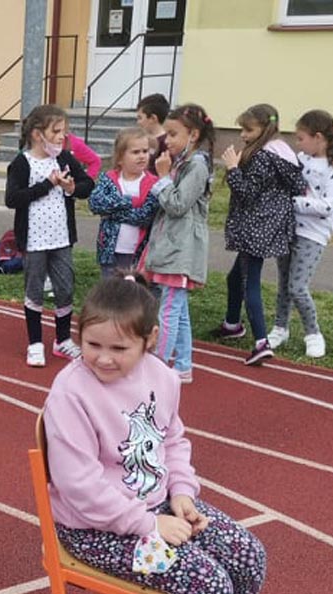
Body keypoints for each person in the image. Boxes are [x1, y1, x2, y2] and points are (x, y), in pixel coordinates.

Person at [44, 276, 279, 594]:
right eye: (92, 345)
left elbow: (172, 441)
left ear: (149, 340)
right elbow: (79, 486)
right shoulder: (70, 394)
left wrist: (183, 493)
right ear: (78, 334)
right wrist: (149, 524)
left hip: (157, 509)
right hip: (95, 530)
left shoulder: (162, 377)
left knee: (247, 554)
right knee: (207, 584)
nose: (103, 358)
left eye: (119, 348)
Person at [4, 103, 94, 368]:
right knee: (34, 290)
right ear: (37, 134)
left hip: (61, 238)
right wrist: (47, 184)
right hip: (34, 240)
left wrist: (71, 187)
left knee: (65, 288)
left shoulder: (64, 158)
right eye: (55, 131)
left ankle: (62, 339)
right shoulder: (22, 163)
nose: (61, 137)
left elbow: (88, 185)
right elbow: (12, 199)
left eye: (63, 131)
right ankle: (35, 343)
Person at [216, 103, 306, 366]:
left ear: (264, 129)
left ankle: (261, 342)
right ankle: (232, 324)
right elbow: (298, 185)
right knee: (235, 277)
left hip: (255, 227)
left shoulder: (262, 157)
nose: (243, 134)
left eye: (248, 130)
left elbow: (246, 193)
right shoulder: (285, 153)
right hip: (271, 225)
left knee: (249, 282)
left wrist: (233, 168)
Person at [269, 110, 333, 360]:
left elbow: (327, 207)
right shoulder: (301, 159)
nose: (298, 144)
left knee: (297, 287)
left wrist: (291, 202)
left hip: (313, 235)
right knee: (284, 284)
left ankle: (313, 334)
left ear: (318, 137)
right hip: (288, 229)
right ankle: (280, 328)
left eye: (301, 138)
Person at [144, 104, 216, 384]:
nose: (167, 140)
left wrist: (163, 178)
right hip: (171, 246)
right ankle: (183, 365)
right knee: (179, 309)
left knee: (169, 310)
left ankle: (158, 368)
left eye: (173, 134)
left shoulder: (197, 165)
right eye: (167, 134)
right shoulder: (182, 162)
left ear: (193, 135)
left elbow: (177, 205)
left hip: (182, 249)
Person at [87, 126, 159, 280]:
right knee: (111, 288)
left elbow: (144, 216)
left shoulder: (152, 183)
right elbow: (95, 203)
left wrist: (111, 213)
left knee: (133, 289)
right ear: (120, 157)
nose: (142, 156)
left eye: (145, 151)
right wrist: (129, 201)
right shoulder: (109, 178)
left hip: (137, 252)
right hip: (110, 250)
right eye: (135, 152)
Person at [136, 93, 169, 165]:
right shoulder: (144, 139)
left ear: (153, 118)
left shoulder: (166, 143)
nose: (138, 122)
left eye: (140, 118)